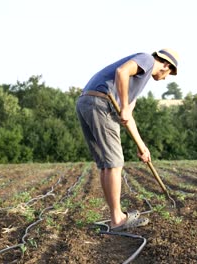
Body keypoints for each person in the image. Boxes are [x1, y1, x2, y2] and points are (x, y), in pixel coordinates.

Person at [76, 49, 179, 231]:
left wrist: (142, 147)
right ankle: (118, 219)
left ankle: (115, 216)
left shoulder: (137, 82)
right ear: (165, 65)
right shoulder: (146, 60)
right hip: (101, 103)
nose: (165, 78)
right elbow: (121, 72)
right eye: (169, 73)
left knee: (107, 164)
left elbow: (128, 116)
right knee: (114, 164)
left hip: (87, 101)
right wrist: (123, 106)